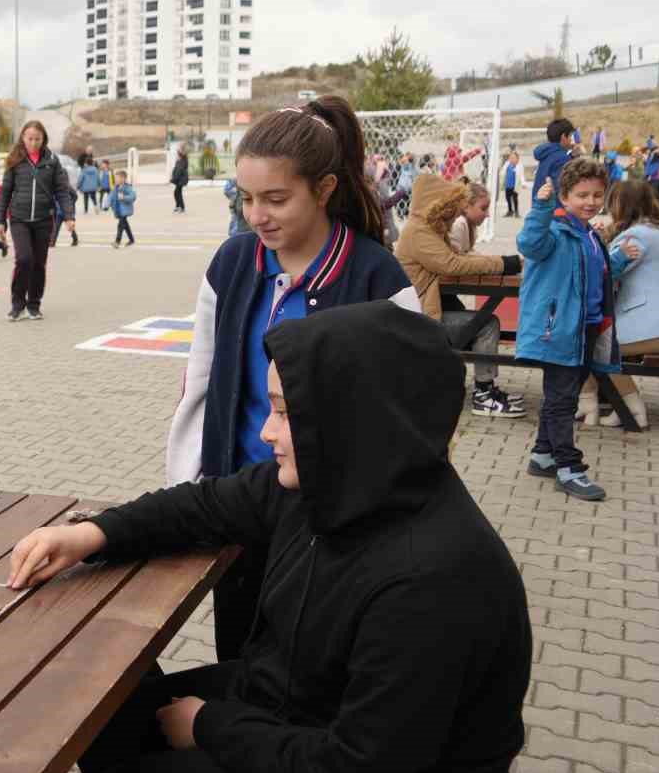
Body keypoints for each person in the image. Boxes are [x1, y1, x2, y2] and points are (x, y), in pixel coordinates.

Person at [8, 302, 531, 773]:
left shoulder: (429, 579)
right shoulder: (337, 482)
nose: (265, 431)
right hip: (313, 706)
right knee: (109, 708)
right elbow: (206, 504)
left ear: (354, 416)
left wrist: (211, 728)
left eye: (286, 412)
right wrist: (90, 533)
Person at [166, 96, 419, 663]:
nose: (258, 215)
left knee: (312, 669)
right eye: (247, 198)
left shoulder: (379, 280)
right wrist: (188, 494)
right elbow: (199, 387)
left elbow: (408, 419)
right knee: (240, 657)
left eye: (276, 199)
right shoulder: (231, 265)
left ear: (324, 188)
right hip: (241, 510)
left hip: (334, 525)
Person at [516, 157, 620, 500]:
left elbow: (590, 273)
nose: (590, 202)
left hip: (585, 328)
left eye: (596, 195)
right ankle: (568, 468)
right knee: (562, 401)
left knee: (562, 396)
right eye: (581, 195)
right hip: (557, 330)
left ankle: (543, 455)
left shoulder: (588, 234)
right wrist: (541, 209)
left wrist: (619, 259)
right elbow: (529, 244)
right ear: (564, 196)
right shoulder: (554, 231)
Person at [579, 182, 659, 429]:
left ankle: (628, 409)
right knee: (595, 339)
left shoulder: (636, 236)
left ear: (621, 204)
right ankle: (596, 402)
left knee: (592, 345)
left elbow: (603, 276)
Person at [395, 179, 524, 417]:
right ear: (438, 204)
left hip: (424, 311)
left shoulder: (427, 228)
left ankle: (486, 389)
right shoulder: (419, 232)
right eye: (451, 208)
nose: (454, 214)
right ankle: (483, 394)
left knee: (479, 320)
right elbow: (452, 264)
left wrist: (499, 264)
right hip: (420, 319)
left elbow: (456, 257)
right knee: (486, 323)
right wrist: (502, 264)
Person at [0, 118, 74, 322]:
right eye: (30, 138)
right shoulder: (15, 160)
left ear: (43, 139)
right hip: (19, 218)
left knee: (39, 264)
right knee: (24, 259)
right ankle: (17, 305)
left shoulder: (51, 161)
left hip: (43, 219)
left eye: (37, 139)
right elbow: (5, 193)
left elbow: (62, 190)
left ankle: (34, 305)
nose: (33, 143)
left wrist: (68, 216)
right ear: (23, 137)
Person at [530, 116, 576, 199]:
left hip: (539, 205)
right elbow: (561, 189)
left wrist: (571, 156)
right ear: (563, 137)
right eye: (570, 136)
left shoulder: (547, 153)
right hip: (553, 208)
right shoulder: (562, 158)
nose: (571, 140)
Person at [110, 168, 138, 247]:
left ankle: (117, 242)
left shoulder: (127, 187)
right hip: (119, 209)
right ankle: (131, 240)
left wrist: (124, 197)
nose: (116, 180)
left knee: (120, 225)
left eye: (117, 178)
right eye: (116, 178)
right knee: (125, 225)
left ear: (123, 178)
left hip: (125, 210)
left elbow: (133, 196)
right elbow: (112, 197)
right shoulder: (116, 187)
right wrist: (108, 204)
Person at [170, 142, 190, 213]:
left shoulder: (183, 159)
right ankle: (178, 206)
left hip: (181, 179)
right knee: (177, 192)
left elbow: (179, 171)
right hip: (179, 179)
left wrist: (174, 179)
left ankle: (181, 207)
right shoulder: (181, 160)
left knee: (177, 192)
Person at [502, 147, 522, 217]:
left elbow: (521, 176)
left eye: (514, 158)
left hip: (514, 186)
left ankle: (516, 211)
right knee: (508, 199)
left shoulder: (518, 166)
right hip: (508, 185)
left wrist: (523, 183)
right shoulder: (507, 165)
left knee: (515, 199)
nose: (512, 159)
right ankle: (510, 210)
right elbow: (503, 173)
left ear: (517, 159)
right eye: (511, 158)